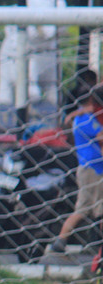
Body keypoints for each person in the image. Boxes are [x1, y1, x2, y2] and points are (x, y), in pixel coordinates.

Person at [47, 84, 103, 257]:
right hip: (93, 171)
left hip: (91, 169)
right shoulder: (87, 120)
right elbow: (101, 136)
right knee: (88, 209)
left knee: (89, 208)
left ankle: (62, 241)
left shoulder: (82, 117)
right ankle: (62, 241)